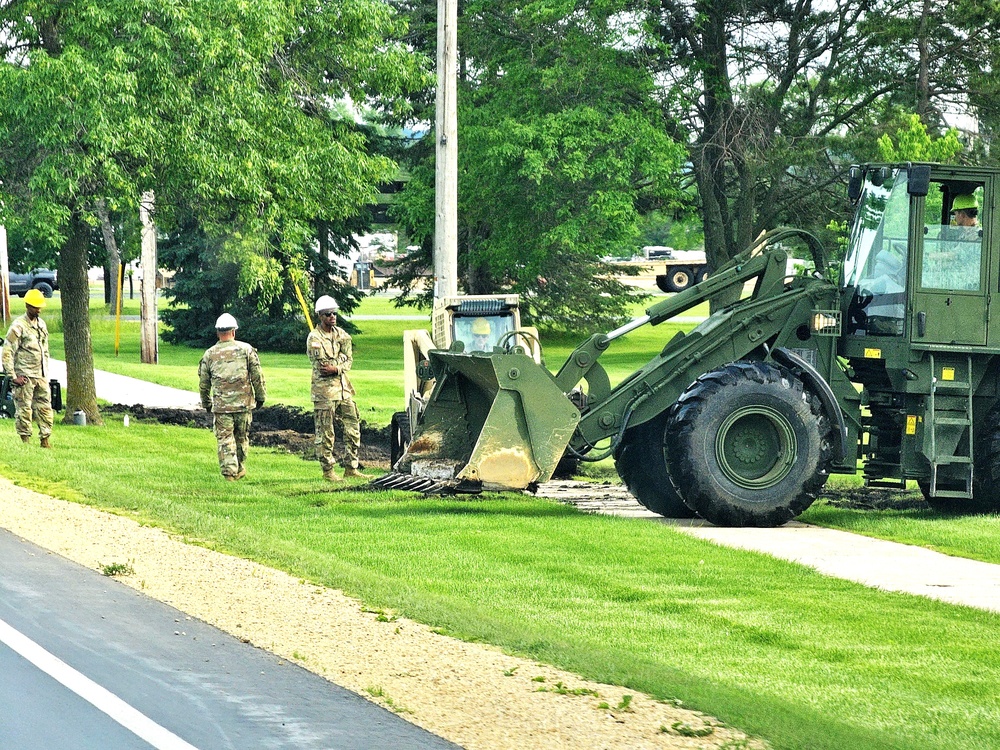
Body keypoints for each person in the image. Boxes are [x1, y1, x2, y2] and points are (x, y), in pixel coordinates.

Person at [198, 313, 266, 481]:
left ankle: (230, 473)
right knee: (241, 437)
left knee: (225, 439)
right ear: (234, 331)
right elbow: (257, 376)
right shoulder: (246, 350)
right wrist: (260, 397)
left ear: (217, 333)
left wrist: (206, 403)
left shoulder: (209, 354)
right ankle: (240, 467)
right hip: (243, 405)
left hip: (222, 407)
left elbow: (204, 383)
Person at [308, 295, 363, 482]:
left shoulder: (342, 335)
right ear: (320, 316)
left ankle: (351, 467)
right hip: (324, 393)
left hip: (343, 389)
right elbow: (323, 366)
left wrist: (337, 367)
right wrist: (338, 363)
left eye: (334, 313)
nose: (332, 317)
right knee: (326, 432)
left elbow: (349, 360)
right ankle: (328, 470)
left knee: (353, 426)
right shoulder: (314, 338)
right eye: (328, 314)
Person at [2, 288, 53, 447]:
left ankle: (45, 439)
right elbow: (7, 351)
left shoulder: (41, 324)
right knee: (24, 410)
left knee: (45, 408)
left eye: (40, 307)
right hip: (24, 377)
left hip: (41, 375)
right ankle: (25, 441)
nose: (38, 310)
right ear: (27, 305)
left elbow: (45, 349)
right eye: (35, 307)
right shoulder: (18, 326)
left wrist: (46, 371)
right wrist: (12, 376)